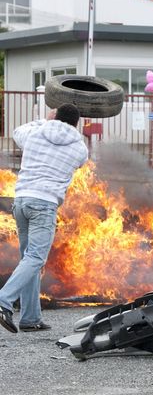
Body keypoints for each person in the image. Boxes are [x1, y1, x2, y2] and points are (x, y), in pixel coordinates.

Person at [0, 104, 88, 333]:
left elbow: (18, 131)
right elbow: (80, 163)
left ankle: (30, 318)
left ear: (55, 116)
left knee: (29, 259)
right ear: (76, 123)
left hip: (21, 201)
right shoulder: (79, 147)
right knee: (35, 259)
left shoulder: (36, 132)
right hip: (44, 204)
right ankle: (3, 301)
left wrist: (45, 121)